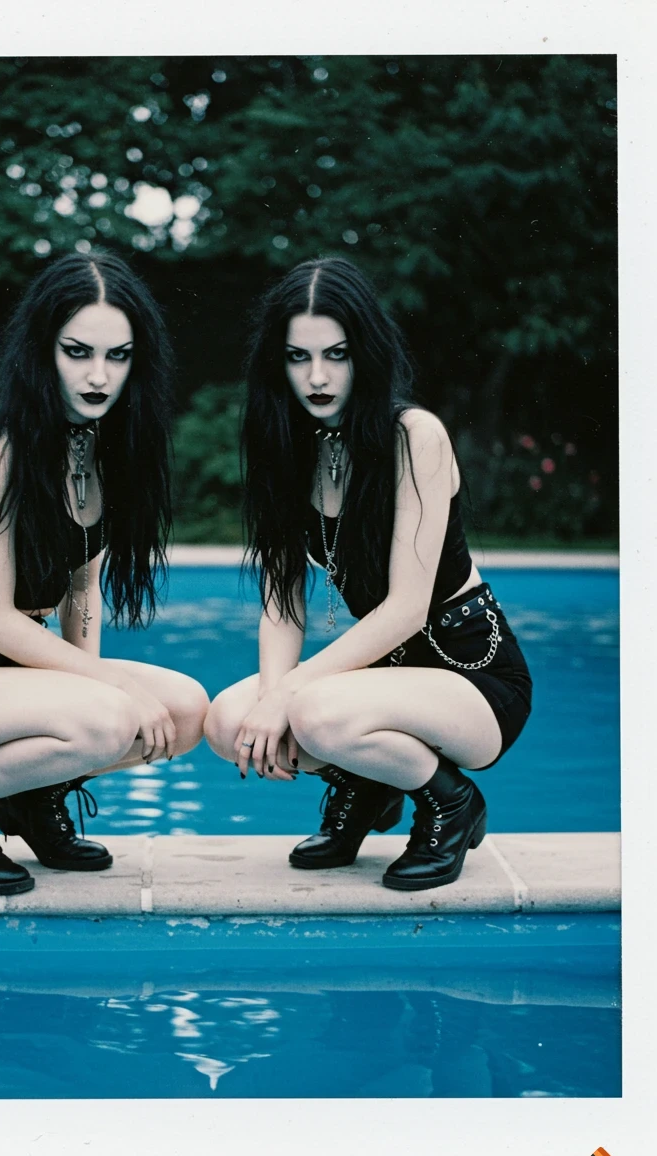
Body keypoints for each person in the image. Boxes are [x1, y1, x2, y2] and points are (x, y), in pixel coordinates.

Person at [0, 251, 209, 896]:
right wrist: (112, 696)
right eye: (77, 352)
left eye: (117, 356)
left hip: (12, 671)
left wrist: (98, 693)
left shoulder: (102, 448)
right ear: (41, 350)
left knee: (188, 711)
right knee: (111, 716)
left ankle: (31, 795)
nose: (98, 375)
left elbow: (81, 591)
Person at [204, 257, 532, 891]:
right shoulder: (287, 444)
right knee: (228, 721)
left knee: (314, 711)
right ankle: (366, 782)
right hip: (383, 680)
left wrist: (289, 698)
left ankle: (451, 803)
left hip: (471, 677)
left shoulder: (414, 436)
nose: (317, 376)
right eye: (298, 357)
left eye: (338, 354)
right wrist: (272, 698)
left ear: (367, 354)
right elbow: (282, 603)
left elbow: (407, 608)